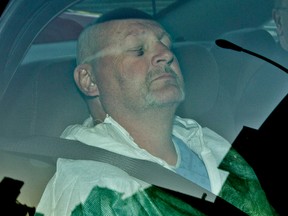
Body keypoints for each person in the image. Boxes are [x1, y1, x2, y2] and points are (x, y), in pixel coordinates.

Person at [35, 8, 277, 216]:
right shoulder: (93, 188)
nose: (167, 54)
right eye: (138, 49)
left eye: (166, 44)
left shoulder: (213, 144)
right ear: (90, 80)